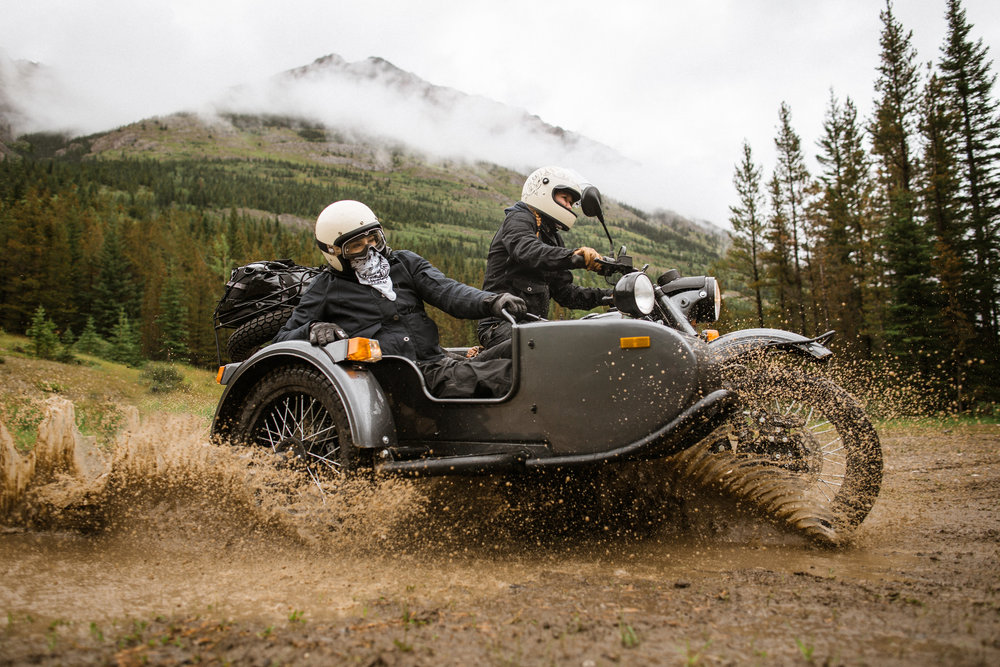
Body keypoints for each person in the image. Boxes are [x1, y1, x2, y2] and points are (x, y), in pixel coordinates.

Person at [274, 200, 526, 398]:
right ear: (334, 252)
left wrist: (492, 301)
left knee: (530, 346)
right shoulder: (325, 287)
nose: (370, 250)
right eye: (357, 246)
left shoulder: (404, 263)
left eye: (373, 239)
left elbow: (448, 291)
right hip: (399, 379)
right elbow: (281, 341)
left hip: (438, 363)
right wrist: (314, 328)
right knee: (512, 375)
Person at [477, 166, 611, 349]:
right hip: (502, 324)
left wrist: (609, 296)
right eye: (565, 199)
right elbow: (527, 250)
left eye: (571, 203)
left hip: (531, 327)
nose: (569, 206)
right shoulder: (519, 219)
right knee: (554, 350)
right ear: (544, 191)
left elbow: (566, 293)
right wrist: (573, 257)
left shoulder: (553, 237)